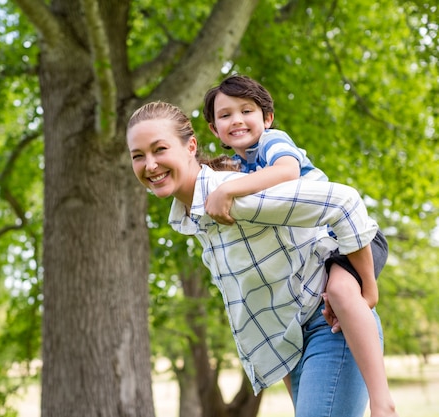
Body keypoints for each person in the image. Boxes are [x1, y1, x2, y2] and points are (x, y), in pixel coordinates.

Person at [126, 101, 391, 417]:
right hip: (293, 342)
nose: (150, 164)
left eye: (160, 149)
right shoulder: (193, 216)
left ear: (190, 146)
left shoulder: (233, 195)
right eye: (138, 156)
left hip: (330, 326)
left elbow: (344, 203)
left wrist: (365, 290)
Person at [201, 74, 397, 417]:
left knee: (339, 290)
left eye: (246, 110)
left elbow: (288, 172)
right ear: (214, 129)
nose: (236, 120)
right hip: (322, 256)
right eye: (225, 115)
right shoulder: (239, 169)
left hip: (350, 239)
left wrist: (229, 191)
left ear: (267, 118)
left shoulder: (273, 144)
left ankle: (383, 404)